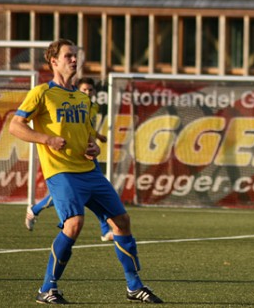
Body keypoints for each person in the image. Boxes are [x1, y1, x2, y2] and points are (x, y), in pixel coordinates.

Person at [9, 39, 162, 304]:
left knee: (122, 221)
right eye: (68, 56)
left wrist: (94, 147)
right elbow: (15, 126)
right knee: (74, 224)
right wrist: (47, 139)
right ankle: (47, 288)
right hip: (61, 172)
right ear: (53, 61)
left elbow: (89, 137)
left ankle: (134, 287)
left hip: (89, 172)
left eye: (75, 56)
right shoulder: (42, 92)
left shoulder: (82, 98)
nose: (74, 60)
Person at [24, 77, 114, 242]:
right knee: (71, 194)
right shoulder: (53, 96)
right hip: (65, 159)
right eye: (84, 89)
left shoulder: (90, 104)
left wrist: (95, 141)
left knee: (94, 193)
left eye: (90, 90)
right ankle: (37, 209)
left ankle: (104, 229)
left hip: (85, 156)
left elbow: (86, 128)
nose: (87, 92)